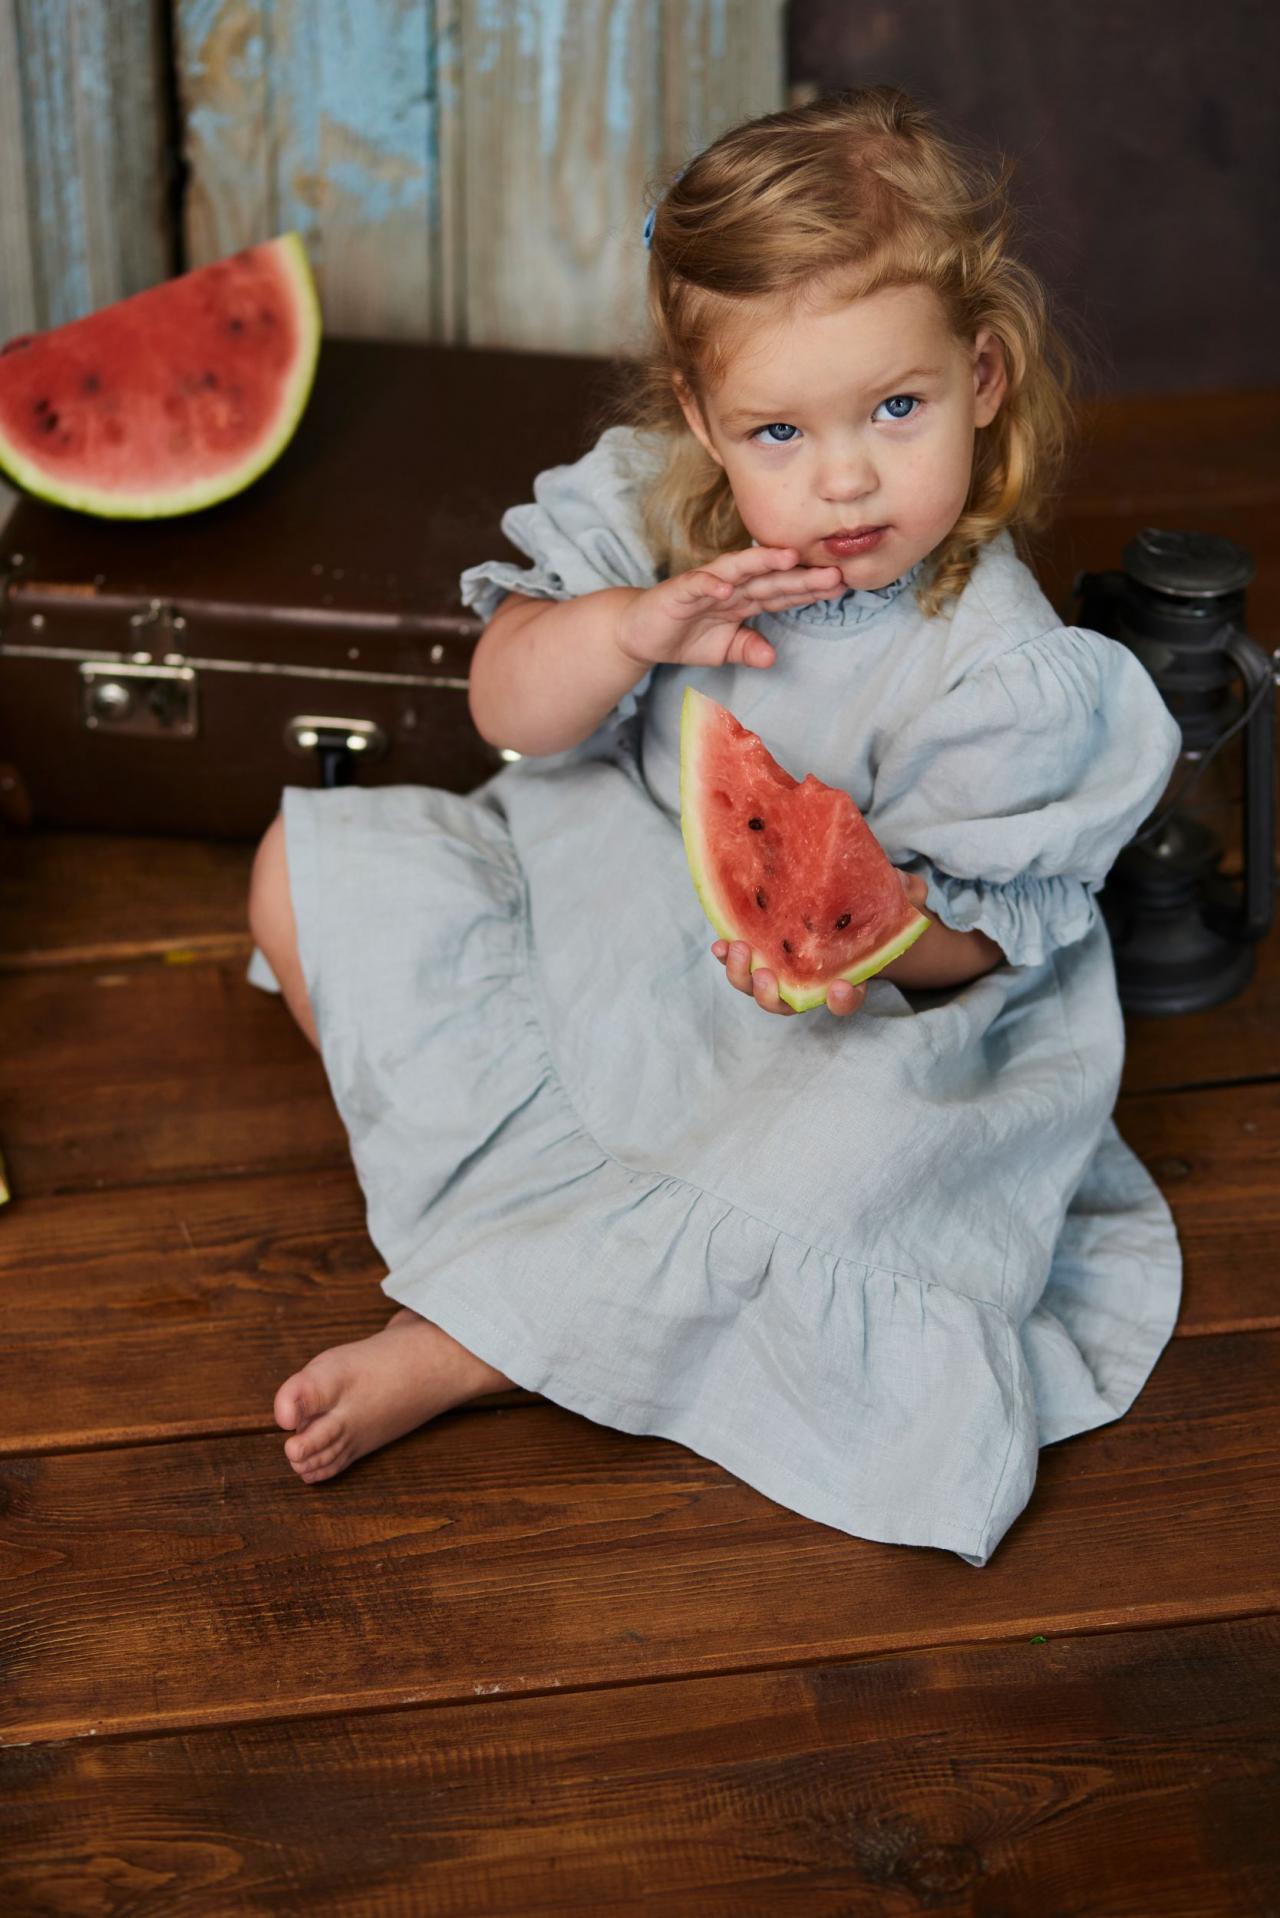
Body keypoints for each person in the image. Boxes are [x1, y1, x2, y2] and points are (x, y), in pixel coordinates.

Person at [247, 85, 1183, 1565]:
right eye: (778, 430)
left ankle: (481, 1337)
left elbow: (987, 946)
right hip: (604, 896)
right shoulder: (651, 507)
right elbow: (506, 708)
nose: (844, 476)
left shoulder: (1003, 671)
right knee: (301, 875)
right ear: (699, 419)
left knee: (826, 1166)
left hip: (863, 1028)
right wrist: (627, 626)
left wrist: (876, 933)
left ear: (983, 375)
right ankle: (548, 1255)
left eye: (896, 408)